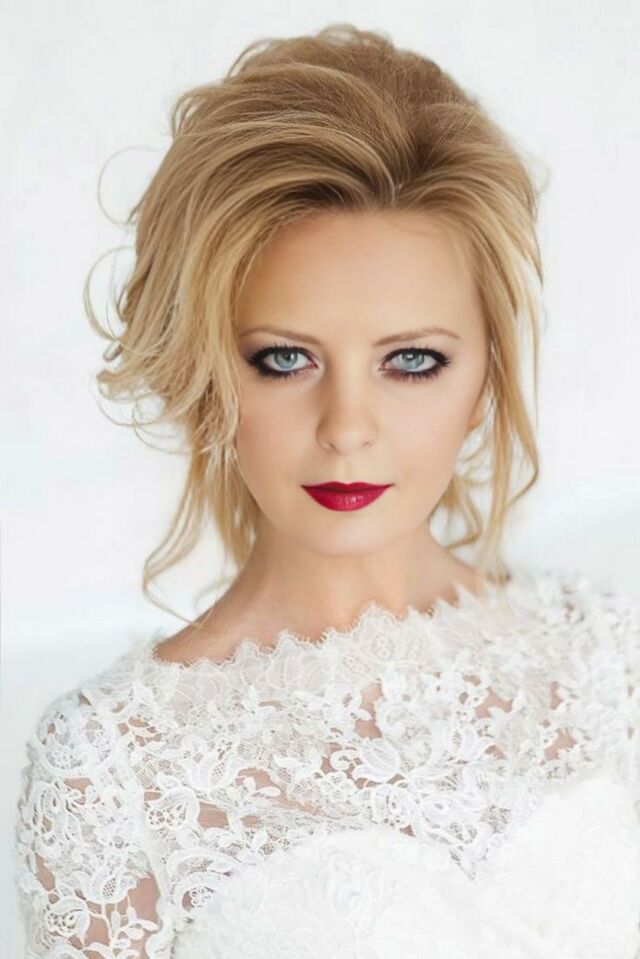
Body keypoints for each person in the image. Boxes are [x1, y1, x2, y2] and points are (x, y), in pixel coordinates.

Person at [13, 22, 640, 959]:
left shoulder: (605, 652)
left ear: (486, 376)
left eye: (412, 360)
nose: (348, 425)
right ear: (206, 375)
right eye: (285, 359)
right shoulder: (113, 771)